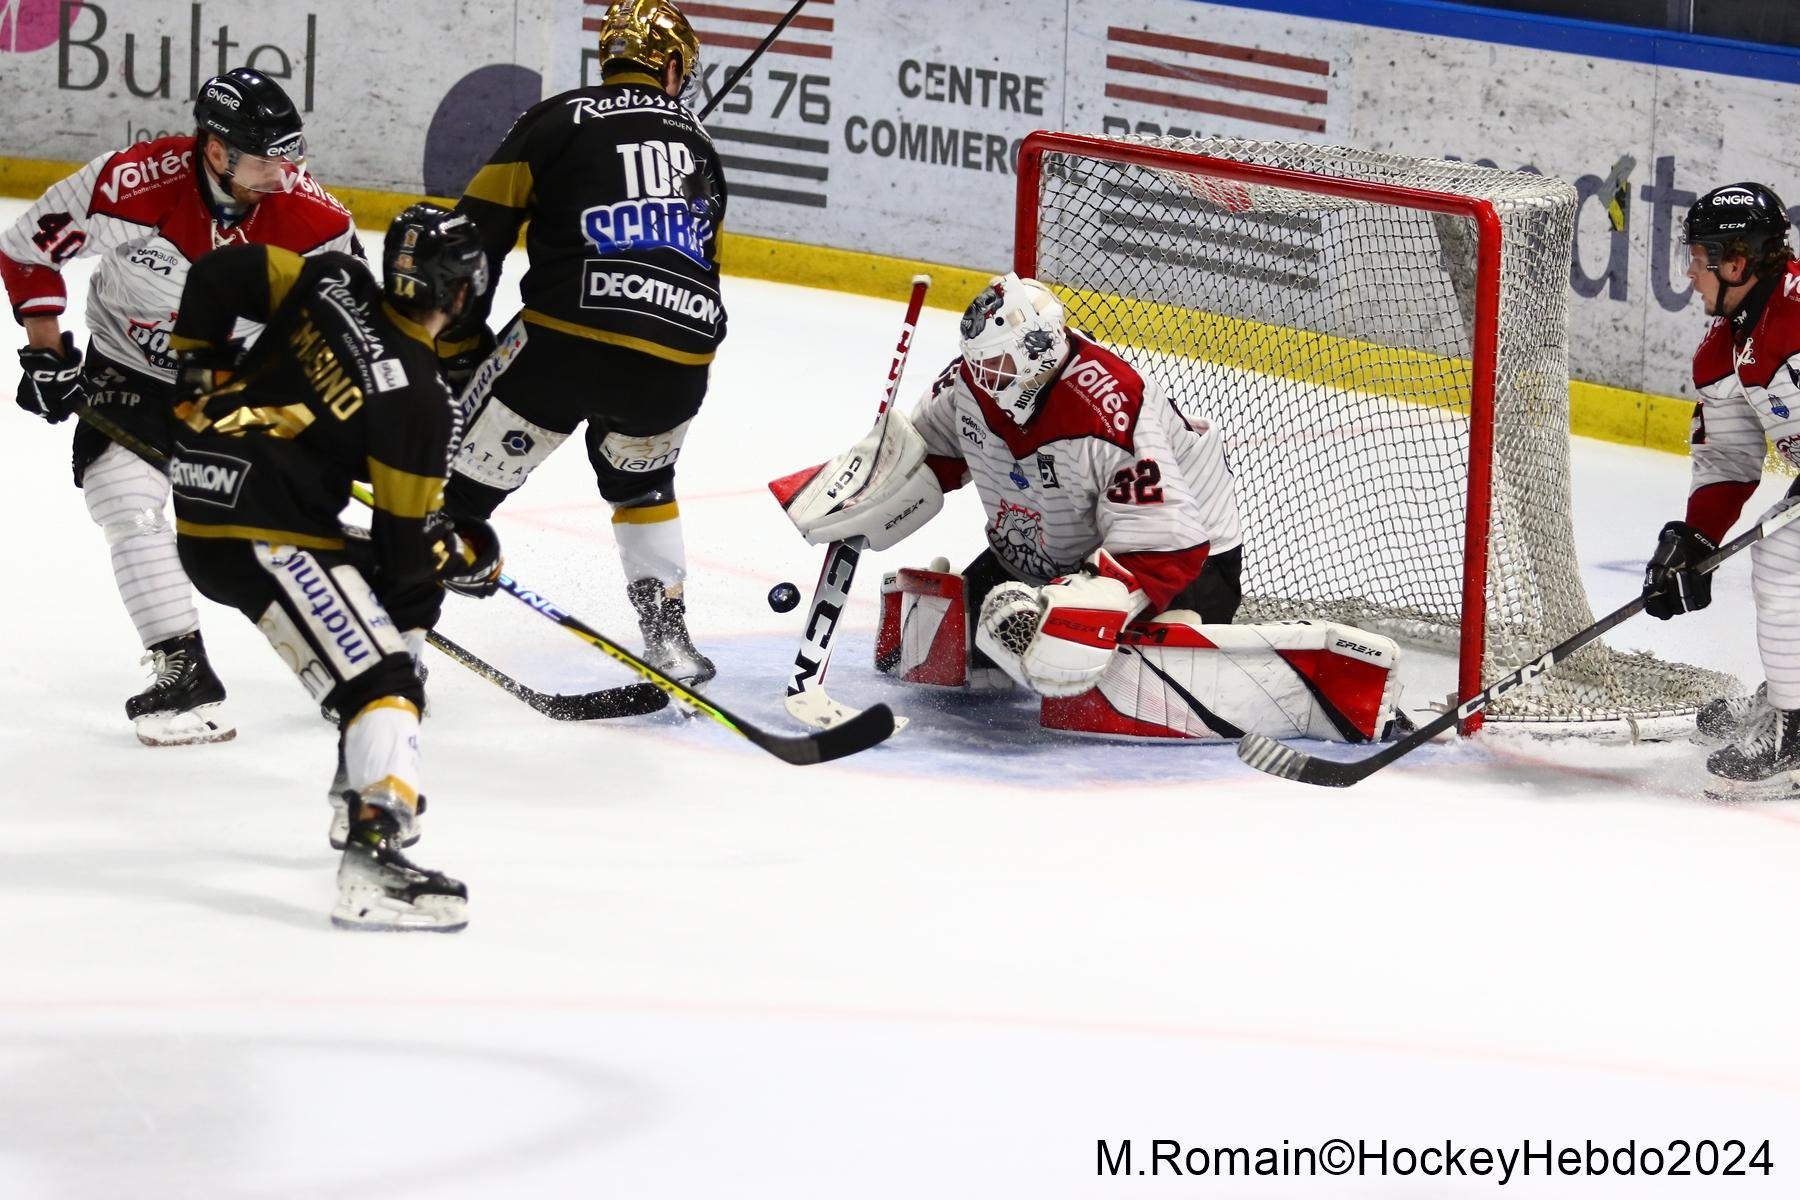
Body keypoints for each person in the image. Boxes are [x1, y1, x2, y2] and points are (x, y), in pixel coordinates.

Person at [776, 273, 1408, 744]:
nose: (983, 378)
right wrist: (869, 481)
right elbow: (931, 461)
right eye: (978, 364)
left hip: (1187, 563)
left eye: (998, 365)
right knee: (971, 645)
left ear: (1038, 352)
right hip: (1041, 551)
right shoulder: (970, 385)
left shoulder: (1106, 408)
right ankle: (1070, 623)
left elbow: (1170, 544)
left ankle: (1190, 643)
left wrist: (1094, 610)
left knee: (1078, 664)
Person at [0, 67, 361, 746]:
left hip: (238, 380)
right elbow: (27, 249)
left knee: (258, 535)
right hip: (129, 365)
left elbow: (351, 328)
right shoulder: (128, 184)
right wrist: (46, 354)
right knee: (121, 496)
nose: (281, 179)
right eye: (263, 163)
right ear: (216, 151)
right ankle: (182, 664)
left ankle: (350, 667)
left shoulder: (316, 221)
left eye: (290, 162)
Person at [167, 203, 499, 931]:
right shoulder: (416, 394)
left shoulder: (331, 279)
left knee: (381, 619)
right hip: (262, 528)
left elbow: (227, 270)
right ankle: (375, 851)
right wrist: (451, 554)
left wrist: (195, 373)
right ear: (465, 292)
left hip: (203, 496)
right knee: (386, 677)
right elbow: (409, 557)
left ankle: (359, 791)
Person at [440, 0, 726, 686]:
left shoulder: (556, 117)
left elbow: (471, 237)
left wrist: (457, 355)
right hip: (680, 361)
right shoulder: (700, 145)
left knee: (450, 493)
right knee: (644, 483)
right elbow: (700, 263)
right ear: (673, 66)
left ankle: (402, 606)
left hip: (561, 346)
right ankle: (668, 637)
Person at [1642, 181, 1800, 797]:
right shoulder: (1724, 349)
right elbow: (1731, 458)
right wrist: (1695, 538)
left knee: (1784, 556)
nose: (1689, 274)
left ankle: (1796, 733)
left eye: (1698, 258)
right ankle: (1792, 696)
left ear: (1735, 263)